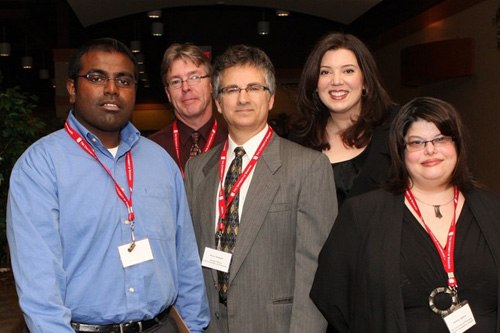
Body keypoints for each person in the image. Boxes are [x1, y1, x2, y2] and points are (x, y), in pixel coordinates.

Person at [7, 38, 209, 333]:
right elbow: (39, 288)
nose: (112, 88)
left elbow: (186, 259)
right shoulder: (40, 167)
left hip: (162, 326)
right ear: (72, 89)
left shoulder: (160, 162)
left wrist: (193, 326)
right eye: (97, 77)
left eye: (124, 80)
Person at [311, 97, 500, 332]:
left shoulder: (493, 212)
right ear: (400, 151)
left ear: (458, 144)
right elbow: (331, 294)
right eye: (417, 142)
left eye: (440, 139)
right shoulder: (363, 214)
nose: (430, 149)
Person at [183, 45, 337, 332]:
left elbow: (315, 271)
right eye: (231, 89)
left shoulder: (308, 167)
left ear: (271, 98)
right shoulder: (197, 169)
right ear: (217, 102)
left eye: (254, 87)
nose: (242, 98)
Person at [292, 32, 398, 207]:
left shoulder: (398, 127)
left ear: (365, 80)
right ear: (315, 84)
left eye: (348, 70)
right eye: (325, 72)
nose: (336, 81)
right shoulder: (299, 141)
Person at [149, 43, 228, 176]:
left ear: (211, 85)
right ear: (168, 93)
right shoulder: (152, 149)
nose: (185, 87)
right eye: (176, 81)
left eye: (194, 77)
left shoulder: (233, 142)